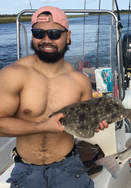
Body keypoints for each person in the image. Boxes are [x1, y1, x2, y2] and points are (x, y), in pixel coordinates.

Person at [0, 6, 108, 188]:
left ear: (68, 36)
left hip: (69, 167)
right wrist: (42, 126)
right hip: (26, 172)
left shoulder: (80, 81)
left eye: (54, 33)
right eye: (38, 33)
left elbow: (84, 127)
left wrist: (96, 124)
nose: (46, 39)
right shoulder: (12, 74)